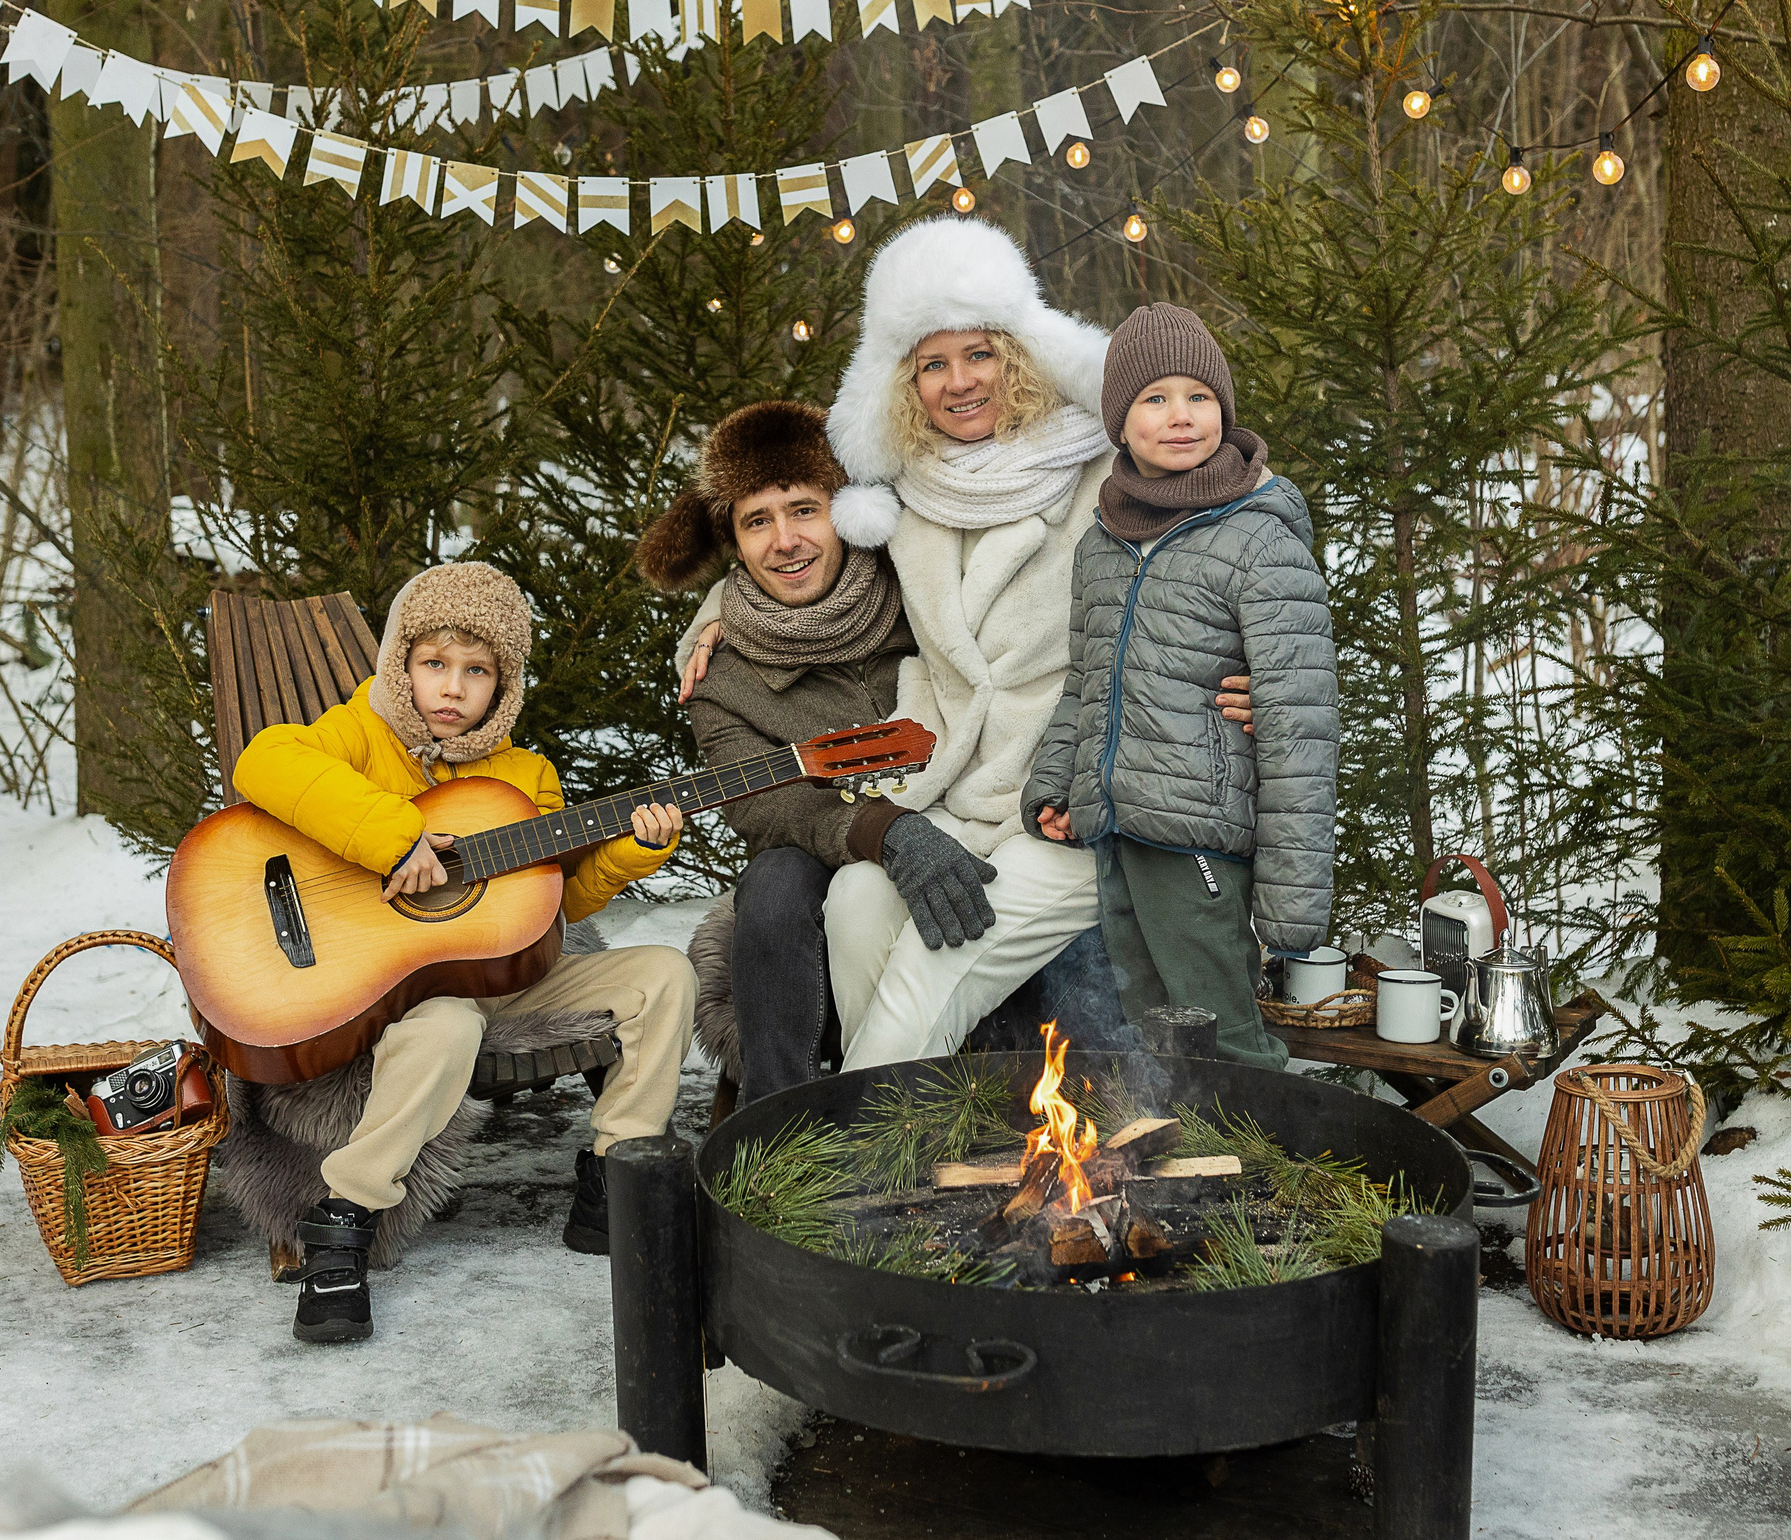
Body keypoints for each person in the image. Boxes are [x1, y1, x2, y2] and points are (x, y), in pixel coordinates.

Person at [674, 219, 1254, 1068]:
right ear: (903, 381)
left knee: (919, 991)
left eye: (978, 353)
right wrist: (714, 615)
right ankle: (922, 1132)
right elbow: (791, 561)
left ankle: (847, 1155)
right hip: (945, 791)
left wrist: (1243, 672)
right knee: (859, 902)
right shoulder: (898, 492)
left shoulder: (1103, 469)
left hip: (1060, 803)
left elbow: (1230, 519)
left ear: (1018, 353)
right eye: (932, 363)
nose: (959, 383)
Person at [231, 561, 696, 1343]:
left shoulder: (524, 776)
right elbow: (264, 762)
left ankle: (616, 1182)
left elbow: (560, 901)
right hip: (396, 993)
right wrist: (392, 836)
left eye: (476, 671)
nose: (451, 687)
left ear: (504, 684)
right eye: (433, 663)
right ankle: (343, 1221)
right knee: (447, 1025)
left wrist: (631, 853)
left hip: (503, 982)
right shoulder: (360, 731)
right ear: (401, 665)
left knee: (665, 973)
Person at [1023, 304, 1338, 1070]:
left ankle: (1256, 1169)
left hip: (1200, 841)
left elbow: (1301, 723)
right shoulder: (1103, 542)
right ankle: (1179, 1171)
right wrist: (1054, 782)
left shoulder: (1258, 536)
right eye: (1154, 399)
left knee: (1220, 1033)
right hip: (1120, 833)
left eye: (1199, 397)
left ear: (1224, 411)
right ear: (1120, 424)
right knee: (1149, 1031)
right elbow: (1087, 680)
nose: (1181, 417)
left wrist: (1293, 905)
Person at [636, 400, 930, 1101]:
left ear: (846, 508)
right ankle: (778, 1123)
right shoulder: (719, 676)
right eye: (757, 520)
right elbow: (763, 807)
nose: (785, 540)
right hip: (825, 871)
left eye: (804, 508)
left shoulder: (921, 592)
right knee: (771, 881)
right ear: (734, 541)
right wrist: (876, 831)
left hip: (957, 817)